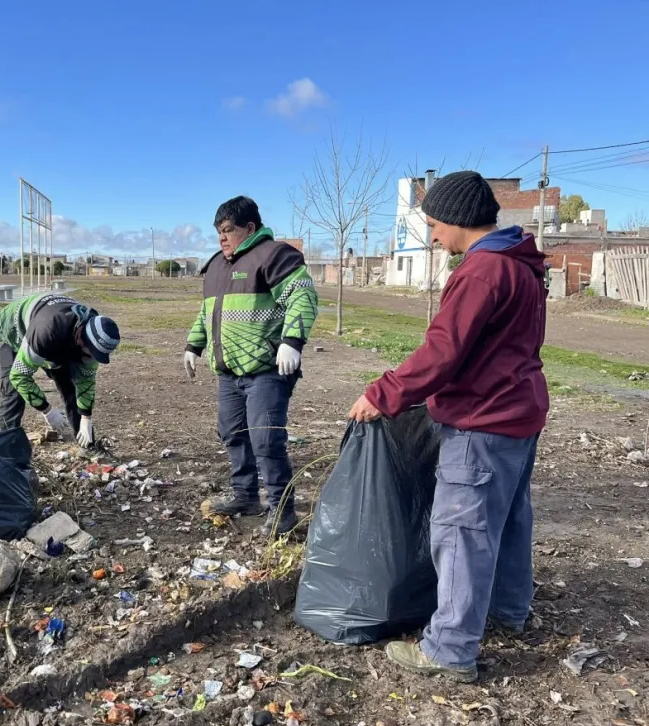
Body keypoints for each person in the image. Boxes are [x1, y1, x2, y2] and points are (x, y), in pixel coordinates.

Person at [348, 171, 549, 682]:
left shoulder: (483, 272)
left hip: (483, 419)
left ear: (458, 220)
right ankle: (508, 609)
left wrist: (383, 393)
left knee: (461, 530)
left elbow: (443, 352)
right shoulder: (522, 265)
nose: (434, 236)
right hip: (518, 414)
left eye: (435, 225)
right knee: (506, 520)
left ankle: (450, 648)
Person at [185, 196, 318, 536]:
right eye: (218, 232)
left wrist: (292, 341)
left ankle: (282, 511)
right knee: (232, 433)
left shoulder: (273, 256)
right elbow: (207, 313)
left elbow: (302, 294)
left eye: (228, 230)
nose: (222, 238)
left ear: (250, 228)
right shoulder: (216, 266)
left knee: (265, 440)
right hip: (230, 372)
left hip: (266, 370)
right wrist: (193, 346)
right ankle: (246, 495)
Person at [0, 292, 120, 447]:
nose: (91, 358)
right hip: (13, 329)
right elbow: (19, 375)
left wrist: (86, 418)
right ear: (81, 338)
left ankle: (87, 446)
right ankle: (6, 450)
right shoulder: (48, 330)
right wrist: (47, 410)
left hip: (58, 334)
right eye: (91, 353)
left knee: (71, 386)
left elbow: (85, 381)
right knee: (13, 392)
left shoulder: (94, 339)